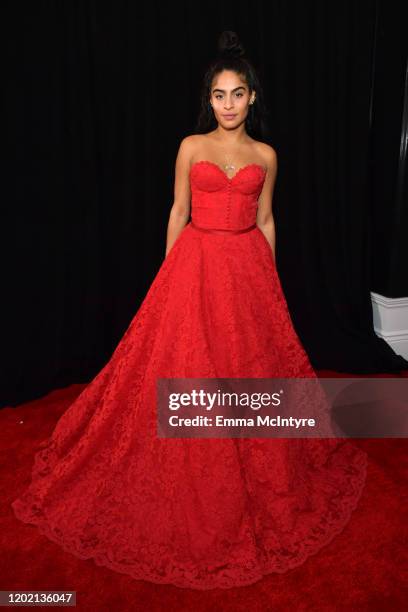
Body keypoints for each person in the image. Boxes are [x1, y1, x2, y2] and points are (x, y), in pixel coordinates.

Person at [11, 31, 368, 590]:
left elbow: (268, 220)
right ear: (210, 99)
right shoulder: (190, 147)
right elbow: (177, 211)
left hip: (248, 268)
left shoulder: (266, 156)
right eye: (219, 95)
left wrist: (270, 284)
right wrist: (169, 276)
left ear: (253, 97)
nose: (228, 104)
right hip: (195, 263)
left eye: (238, 93)